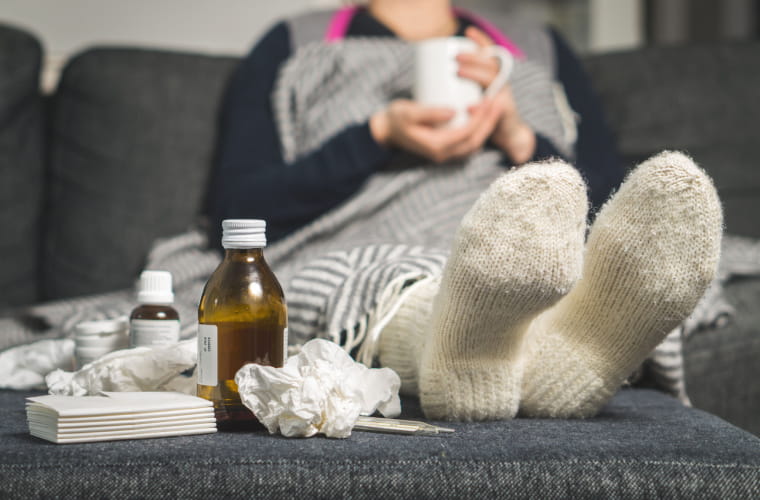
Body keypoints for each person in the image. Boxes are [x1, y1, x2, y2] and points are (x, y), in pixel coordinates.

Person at [208, 0, 722, 421]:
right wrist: (378, 135)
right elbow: (237, 209)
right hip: (365, 227)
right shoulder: (294, 43)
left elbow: (613, 198)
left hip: (529, 232)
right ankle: (516, 355)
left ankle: (527, 360)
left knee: (542, 258)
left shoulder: (538, 47)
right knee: (392, 269)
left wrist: (520, 138)